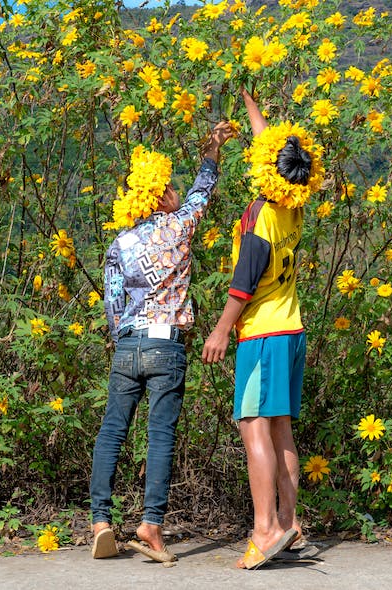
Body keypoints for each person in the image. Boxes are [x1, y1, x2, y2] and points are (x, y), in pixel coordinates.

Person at [90, 121, 234, 562]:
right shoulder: (177, 228)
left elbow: (113, 305)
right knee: (160, 437)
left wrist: (125, 339)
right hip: (166, 345)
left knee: (112, 430)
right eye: (168, 187)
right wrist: (212, 148)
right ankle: (151, 526)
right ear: (161, 195)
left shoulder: (120, 242)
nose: (175, 192)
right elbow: (202, 192)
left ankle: (100, 521)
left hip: (128, 344)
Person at [201, 88, 324, 570]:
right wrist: (253, 107)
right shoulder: (292, 200)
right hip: (293, 331)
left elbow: (243, 285)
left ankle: (265, 528)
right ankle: (289, 524)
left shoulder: (259, 217)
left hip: (263, 335)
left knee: (253, 428)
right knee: (281, 432)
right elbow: (269, 146)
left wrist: (218, 331)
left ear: (265, 171)